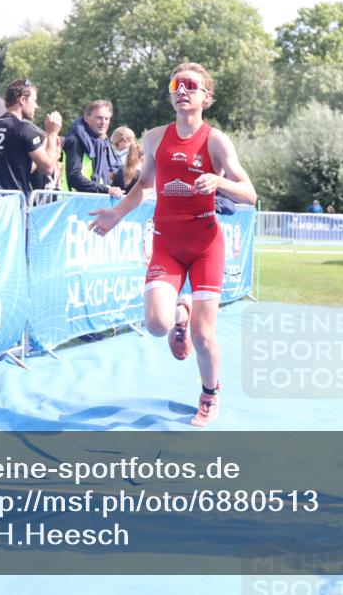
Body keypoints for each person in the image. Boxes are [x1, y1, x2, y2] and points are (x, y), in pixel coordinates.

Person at [87, 62, 256, 427]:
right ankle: (182, 311)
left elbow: (250, 194)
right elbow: (144, 184)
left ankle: (209, 395)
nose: (182, 90)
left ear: (206, 97)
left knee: (204, 334)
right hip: (167, 241)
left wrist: (219, 181)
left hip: (206, 243)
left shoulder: (216, 141)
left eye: (191, 85)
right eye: (176, 84)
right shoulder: (154, 137)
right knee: (157, 324)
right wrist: (117, 214)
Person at [0, 78, 62, 197]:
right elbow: (48, 168)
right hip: (12, 204)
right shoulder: (24, 128)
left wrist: (43, 149)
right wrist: (52, 133)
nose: (36, 106)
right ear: (23, 99)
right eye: (34, 101)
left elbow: (21, 168)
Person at [64, 100, 120, 196]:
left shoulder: (101, 142)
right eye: (99, 118)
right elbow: (73, 177)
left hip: (92, 200)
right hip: (74, 203)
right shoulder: (76, 140)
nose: (103, 122)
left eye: (107, 119)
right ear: (86, 118)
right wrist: (105, 190)